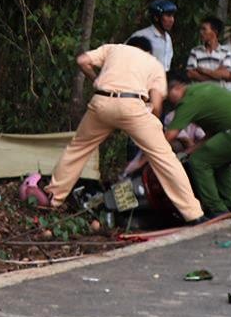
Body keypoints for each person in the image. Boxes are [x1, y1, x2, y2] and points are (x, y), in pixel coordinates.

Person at [45, 36, 204, 222]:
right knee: (165, 159)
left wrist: (96, 80)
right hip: (133, 105)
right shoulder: (154, 64)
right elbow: (157, 105)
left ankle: (52, 199)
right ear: (149, 52)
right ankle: (193, 213)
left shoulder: (113, 48)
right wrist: (151, 127)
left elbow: (82, 61)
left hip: (102, 101)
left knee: (77, 149)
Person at [164, 74, 231, 216]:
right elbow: (209, 137)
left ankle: (215, 209)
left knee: (198, 161)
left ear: (178, 88)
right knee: (219, 161)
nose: (173, 105)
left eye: (169, 97)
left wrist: (146, 154)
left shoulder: (188, 100)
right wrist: (187, 153)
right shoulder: (203, 89)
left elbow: (169, 136)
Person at [130, 0, 177, 72]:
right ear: (156, 18)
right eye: (168, 16)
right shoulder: (141, 36)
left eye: (172, 16)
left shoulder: (168, 38)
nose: (172, 20)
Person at [185, 17, 231, 87]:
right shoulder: (195, 51)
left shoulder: (225, 53)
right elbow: (190, 73)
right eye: (201, 29)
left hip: (218, 93)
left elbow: (225, 74)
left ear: (215, 32)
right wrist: (214, 76)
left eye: (204, 29)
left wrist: (203, 71)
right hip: (199, 93)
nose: (201, 32)